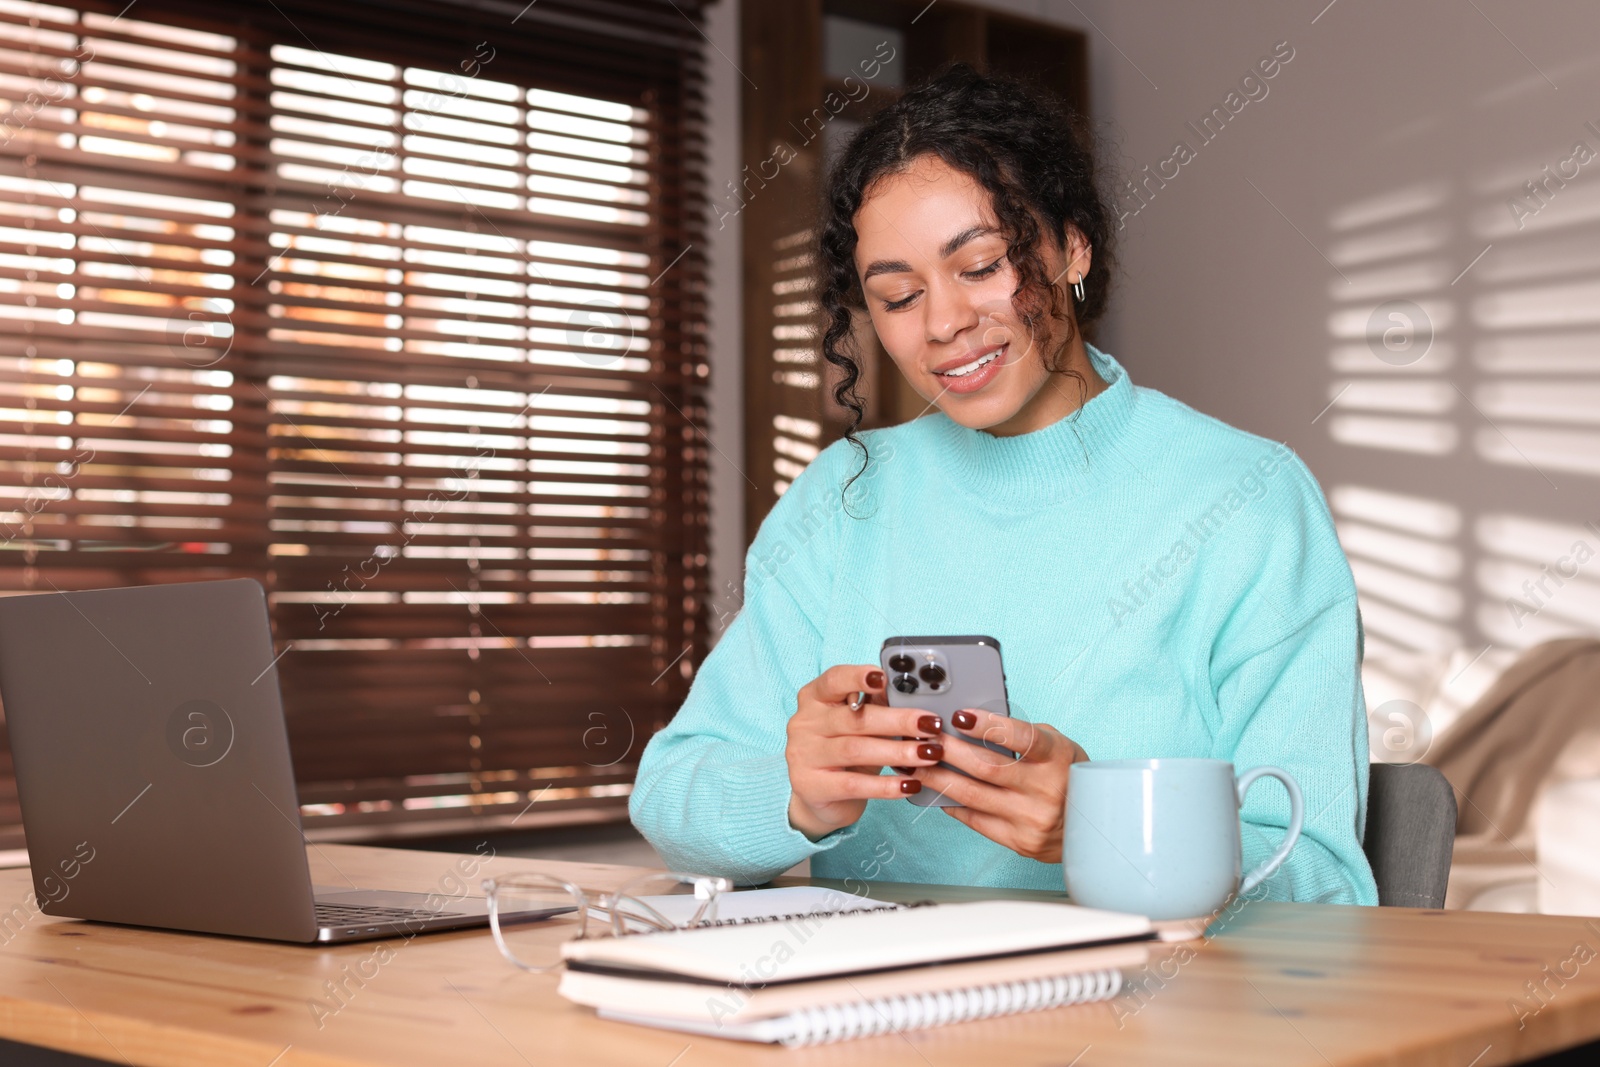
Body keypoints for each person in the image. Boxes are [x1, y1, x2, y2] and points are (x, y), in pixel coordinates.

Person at [630, 65, 1377, 905]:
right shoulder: (843, 499)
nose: (943, 322)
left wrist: (1111, 831)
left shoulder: (1251, 498)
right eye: (899, 294)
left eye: (981, 266)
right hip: (888, 1019)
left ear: (1070, 246)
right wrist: (798, 795)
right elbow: (671, 793)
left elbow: (1326, 883)